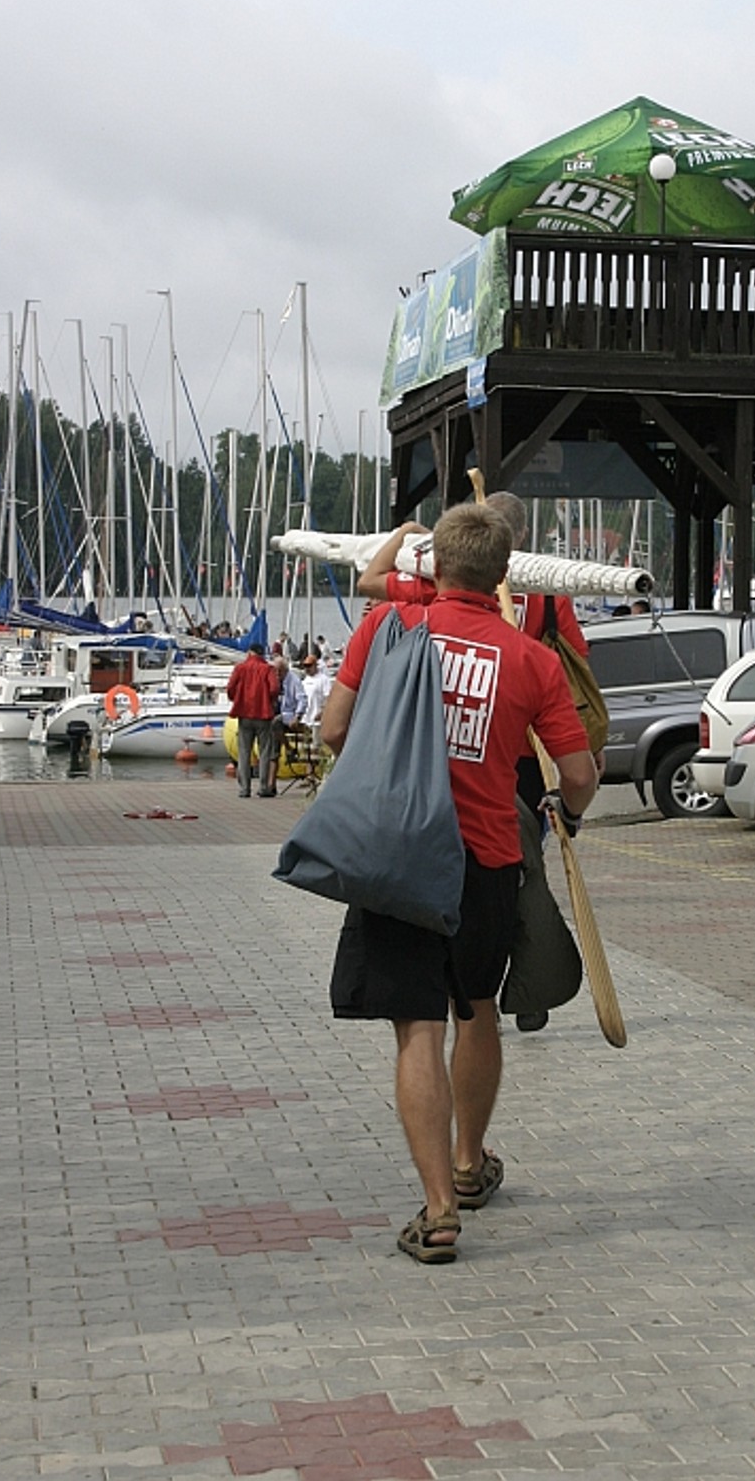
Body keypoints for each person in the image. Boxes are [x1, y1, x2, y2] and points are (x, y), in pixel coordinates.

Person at [321, 503, 597, 1265]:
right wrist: (558, 813)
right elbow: (578, 776)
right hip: (488, 860)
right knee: (476, 1010)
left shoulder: (387, 629)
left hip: (400, 856)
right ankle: (472, 1165)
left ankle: (439, 1211)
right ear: (505, 574)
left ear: (434, 566)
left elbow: (334, 731)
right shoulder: (531, 659)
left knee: (417, 1026)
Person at [359, 492, 602, 1032]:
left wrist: (406, 534)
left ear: (443, 560)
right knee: (521, 880)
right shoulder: (545, 600)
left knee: (417, 1019)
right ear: (510, 553)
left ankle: (497, 975)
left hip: (422, 790)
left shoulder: (419, 598)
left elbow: (370, 581)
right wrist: (578, 781)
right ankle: (520, 975)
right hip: (516, 765)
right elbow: (577, 663)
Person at [226, 642, 280, 798]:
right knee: (264, 752)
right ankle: (263, 787)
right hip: (263, 713)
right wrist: (269, 700)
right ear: (262, 653)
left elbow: (230, 688)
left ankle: (244, 788)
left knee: (244, 752)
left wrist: (236, 699)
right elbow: (274, 688)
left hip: (244, 713)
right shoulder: (268, 669)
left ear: (250, 652)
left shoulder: (240, 668)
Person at [264, 656, 307, 793]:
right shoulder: (274, 680)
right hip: (276, 718)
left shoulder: (294, 680)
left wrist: (298, 715)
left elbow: (302, 699)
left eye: (278, 671)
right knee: (273, 746)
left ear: (284, 670)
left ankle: (288, 748)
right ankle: (271, 785)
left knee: (276, 722)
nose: (276, 674)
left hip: (290, 715)